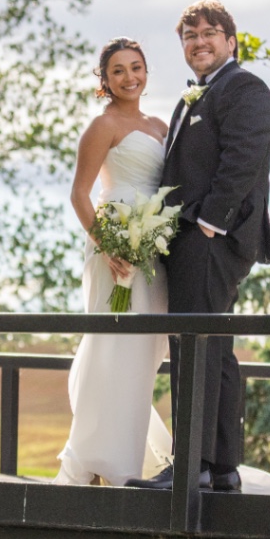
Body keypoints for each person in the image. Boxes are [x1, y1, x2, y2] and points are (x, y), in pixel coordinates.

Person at [126, 0, 270, 494]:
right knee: (212, 349)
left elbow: (243, 160)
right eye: (190, 37)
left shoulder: (245, 89)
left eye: (209, 33)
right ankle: (219, 469)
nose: (199, 42)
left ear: (231, 41)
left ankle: (189, 466)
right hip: (190, 239)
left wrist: (211, 224)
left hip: (212, 238)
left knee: (192, 344)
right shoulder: (196, 95)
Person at [55, 38, 171, 485]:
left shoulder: (161, 125)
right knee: (113, 344)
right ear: (105, 80)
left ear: (146, 70)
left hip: (154, 247)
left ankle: (129, 451)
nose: (129, 77)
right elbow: (79, 194)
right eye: (118, 70)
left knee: (144, 349)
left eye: (136, 67)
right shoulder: (102, 126)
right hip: (116, 245)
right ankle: (104, 460)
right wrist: (107, 245)